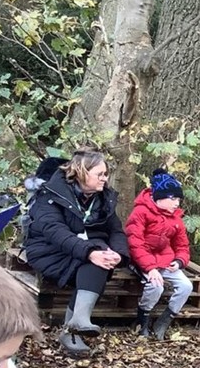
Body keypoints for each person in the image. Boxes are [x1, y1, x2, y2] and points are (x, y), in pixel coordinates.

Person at [22, 147, 129, 355]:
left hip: (82, 247)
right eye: (100, 174)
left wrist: (118, 253)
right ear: (81, 172)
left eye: (106, 174)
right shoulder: (51, 193)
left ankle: (77, 322)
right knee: (95, 256)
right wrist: (90, 252)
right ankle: (73, 329)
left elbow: (115, 230)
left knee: (102, 258)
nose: (105, 179)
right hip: (49, 249)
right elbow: (55, 232)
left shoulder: (102, 198)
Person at [125, 168, 193, 340]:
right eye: (173, 198)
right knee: (156, 285)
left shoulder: (176, 219)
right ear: (159, 197)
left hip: (166, 260)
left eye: (178, 199)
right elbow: (135, 243)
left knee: (186, 286)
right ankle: (142, 321)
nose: (177, 203)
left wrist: (178, 262)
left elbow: (182, 246)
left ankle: (164, 321)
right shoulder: (140, 212)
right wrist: (150, 268)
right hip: (141, 260)